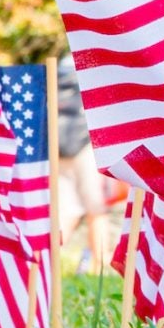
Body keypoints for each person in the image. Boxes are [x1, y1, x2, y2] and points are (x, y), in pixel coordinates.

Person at [56, 56, 109, 272]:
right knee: (95, 208)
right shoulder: (91, 57)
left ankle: (50, 263)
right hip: (86, 145)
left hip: (58, 146)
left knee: (64, 211)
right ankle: (99, 264)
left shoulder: (62, 65)